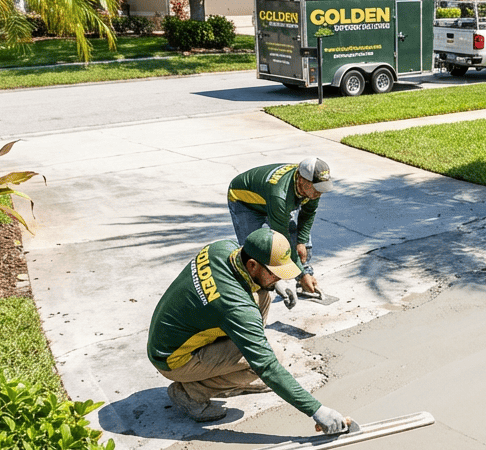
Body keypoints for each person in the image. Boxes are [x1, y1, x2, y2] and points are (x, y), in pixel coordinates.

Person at [146, 227, 351, 431]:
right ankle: (191, 392)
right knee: (271, 358)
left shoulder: (223, 248)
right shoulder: (235, 306)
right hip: (173, 359)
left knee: (262, 294)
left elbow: (242, 286)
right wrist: (317, 410)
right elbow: (267, 366)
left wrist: (272, 284)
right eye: (276, 274)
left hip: (169, 336)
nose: (280, 278)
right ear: (252, 265)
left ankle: (244, 353)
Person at [227, 158, 331, 296]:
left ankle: (302, 282)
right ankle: (253, 291)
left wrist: (301, 241)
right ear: (301, 180)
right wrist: (301, 274)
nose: (320, 192)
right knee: (253, 250)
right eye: (316, 187)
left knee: (301, 243)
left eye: (322, 187)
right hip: (244, 201)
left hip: (269, 198)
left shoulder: (312, 187)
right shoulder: (280, 195)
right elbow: (283, 241)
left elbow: (308, 214)